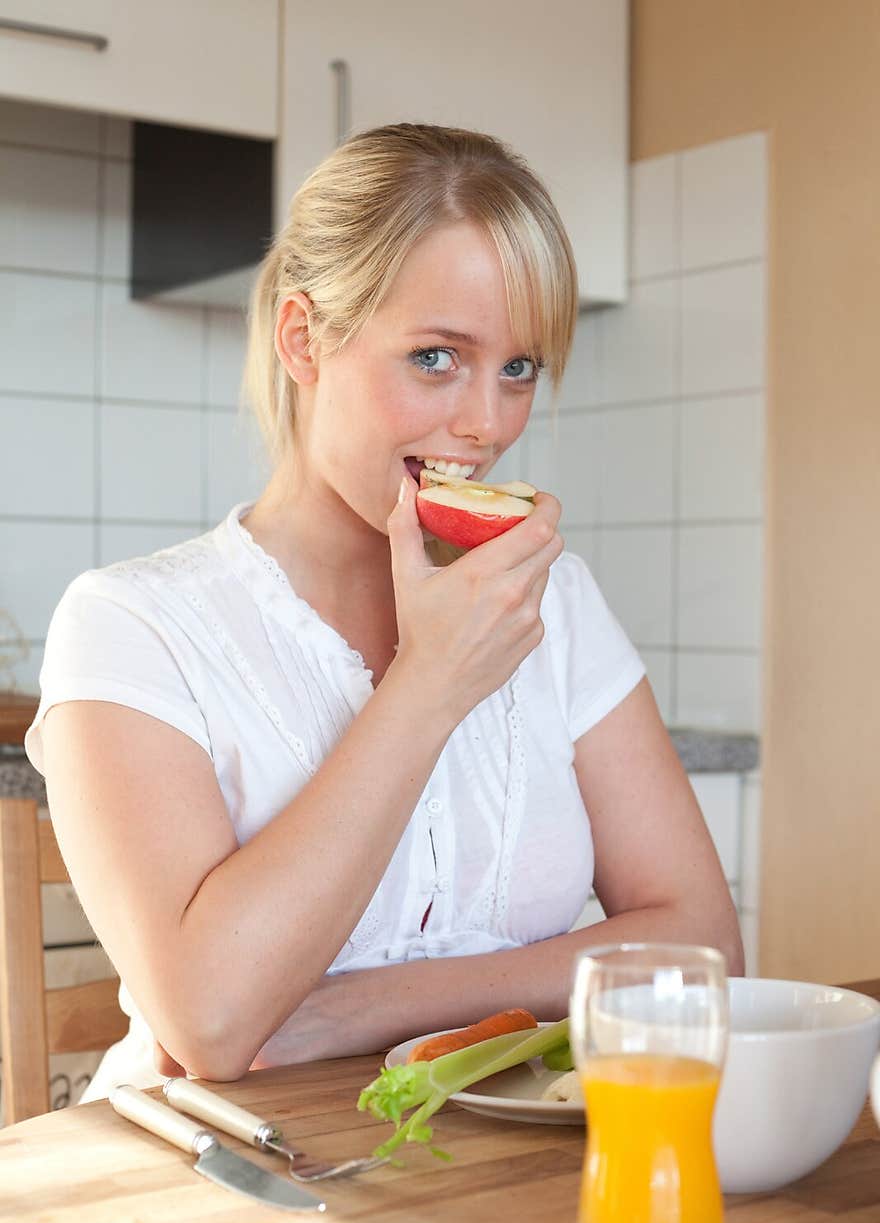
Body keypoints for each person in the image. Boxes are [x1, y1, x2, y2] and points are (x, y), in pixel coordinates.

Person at [25, 124, 744, 1100]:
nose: (487, 424)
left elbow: (701, 944)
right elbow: (215, 1022)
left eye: (518, 367)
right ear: (302, 339)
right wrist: (432, 683)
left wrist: (362, 1004)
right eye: (437, 358)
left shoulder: (551, 600)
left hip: (493, 1176)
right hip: (214, 1192)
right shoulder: (130, 625)